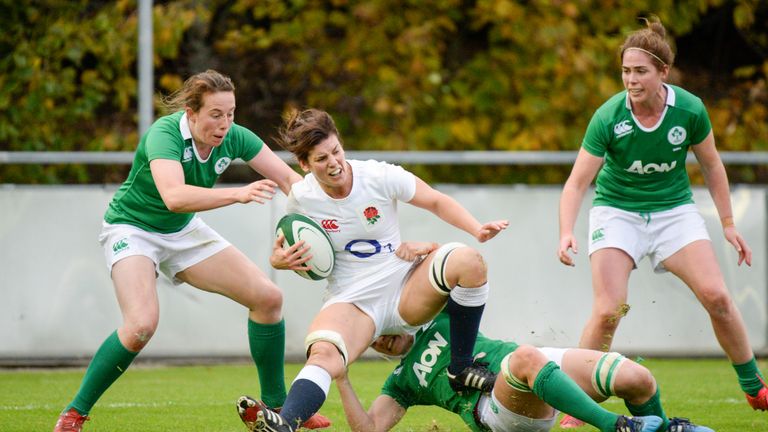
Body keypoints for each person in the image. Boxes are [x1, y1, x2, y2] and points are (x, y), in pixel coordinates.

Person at [53, 70, 329, 432]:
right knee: (140, 325)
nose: (225, 123)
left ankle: (279, 407)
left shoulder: (235, 136)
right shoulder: (164, 135)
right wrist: (237, 193)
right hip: (133, 228)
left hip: (181, 231)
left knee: (268, 298)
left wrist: (327, 215)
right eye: (216, 114)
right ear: (191, 112)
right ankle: (75, 413)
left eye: (231, 113)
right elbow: (175, 197)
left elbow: (290, 180)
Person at [235, 108, 509, 431]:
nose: (334, 163)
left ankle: (460, 368)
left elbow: (434, 200)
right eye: (321, 159)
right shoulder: (301, 199)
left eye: (336, 151)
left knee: (469, 261)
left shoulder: (378, 176)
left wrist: (476, 228)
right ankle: (286, 424)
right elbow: (285, 250)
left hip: (403, 285)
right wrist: (279, 261)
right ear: (305, 165)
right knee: (324, 353)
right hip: (351, 299)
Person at [557, 17, 765, 428]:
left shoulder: (689, 109)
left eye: (640, 72)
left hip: (674, 212)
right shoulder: (608, 116)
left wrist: (727, 223)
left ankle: (754, 383)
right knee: (608, 311)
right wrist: (565, 231)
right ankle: (576, 407)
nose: (630, 80)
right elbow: (577, 182)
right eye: (625, 71)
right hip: (617, 212)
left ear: (663, 72)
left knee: (718, 297)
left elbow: (712, 166)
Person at [337, 307, 714, 432]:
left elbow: (453, 264)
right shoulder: (400, 381)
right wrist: (340, 376)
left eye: (381, 326)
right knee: (526, 358)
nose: (381, 339)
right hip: (496, 413)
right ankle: (615, 425)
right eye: (371, 338)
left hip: (527, 365)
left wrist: (419, 250)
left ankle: (664, 428)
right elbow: (369, 428)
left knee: (637, 378)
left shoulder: (436, 313)